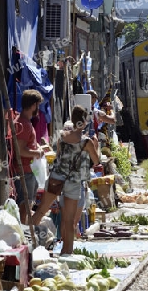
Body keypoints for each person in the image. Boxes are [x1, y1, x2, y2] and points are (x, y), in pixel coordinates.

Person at [31, 105, 100, 255]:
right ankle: (66, 252)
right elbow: (96, 161)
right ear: (84, 121)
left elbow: (59, 154)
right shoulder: (87, 142)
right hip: (74, 182)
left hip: (56, 177)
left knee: (41, 211)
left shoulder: (62, 135)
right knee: (69, 220)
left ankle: (28, 242)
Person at [13, 89, 47, 224]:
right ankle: (24, 229)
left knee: (28, 203)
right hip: (25, 170)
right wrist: (37, 153)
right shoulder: (24, 124)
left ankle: (26, 229)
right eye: (38, 105)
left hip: (30, 170)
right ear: (33, 105)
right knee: (24, 204)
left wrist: (38, 147)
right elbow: (19, 150)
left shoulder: (25, 122)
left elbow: (26, 144)